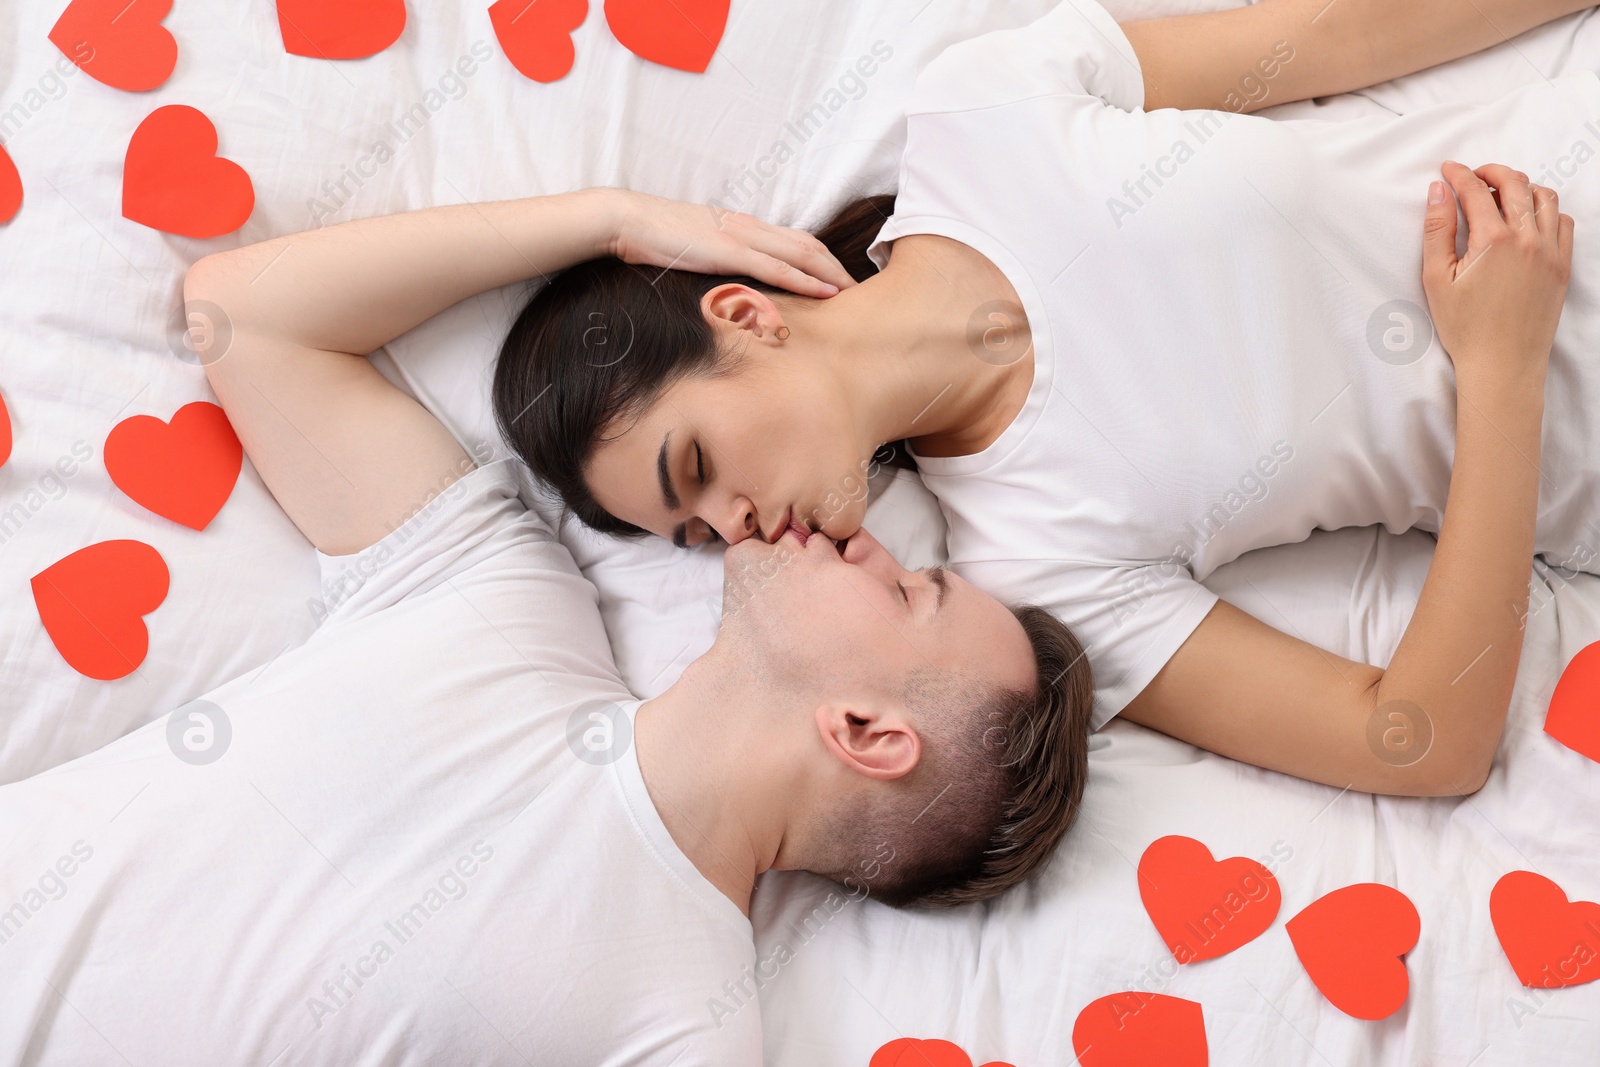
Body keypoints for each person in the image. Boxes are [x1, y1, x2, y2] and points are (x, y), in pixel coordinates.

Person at [0, 199, 1089, 1064]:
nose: (873, 544)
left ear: (864, 727)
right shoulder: (497, 600)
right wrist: (610, 221)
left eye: (906, 594)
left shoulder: (677, 1030)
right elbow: (244, 313)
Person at [495, 0, 1592, 798]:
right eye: (693, 534)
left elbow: (1337, 37)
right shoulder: (1034, 567)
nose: (735, 533)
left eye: (695, 468)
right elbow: (1419, 742)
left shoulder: (981, 114)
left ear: (741, 315)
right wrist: (1501, 370)